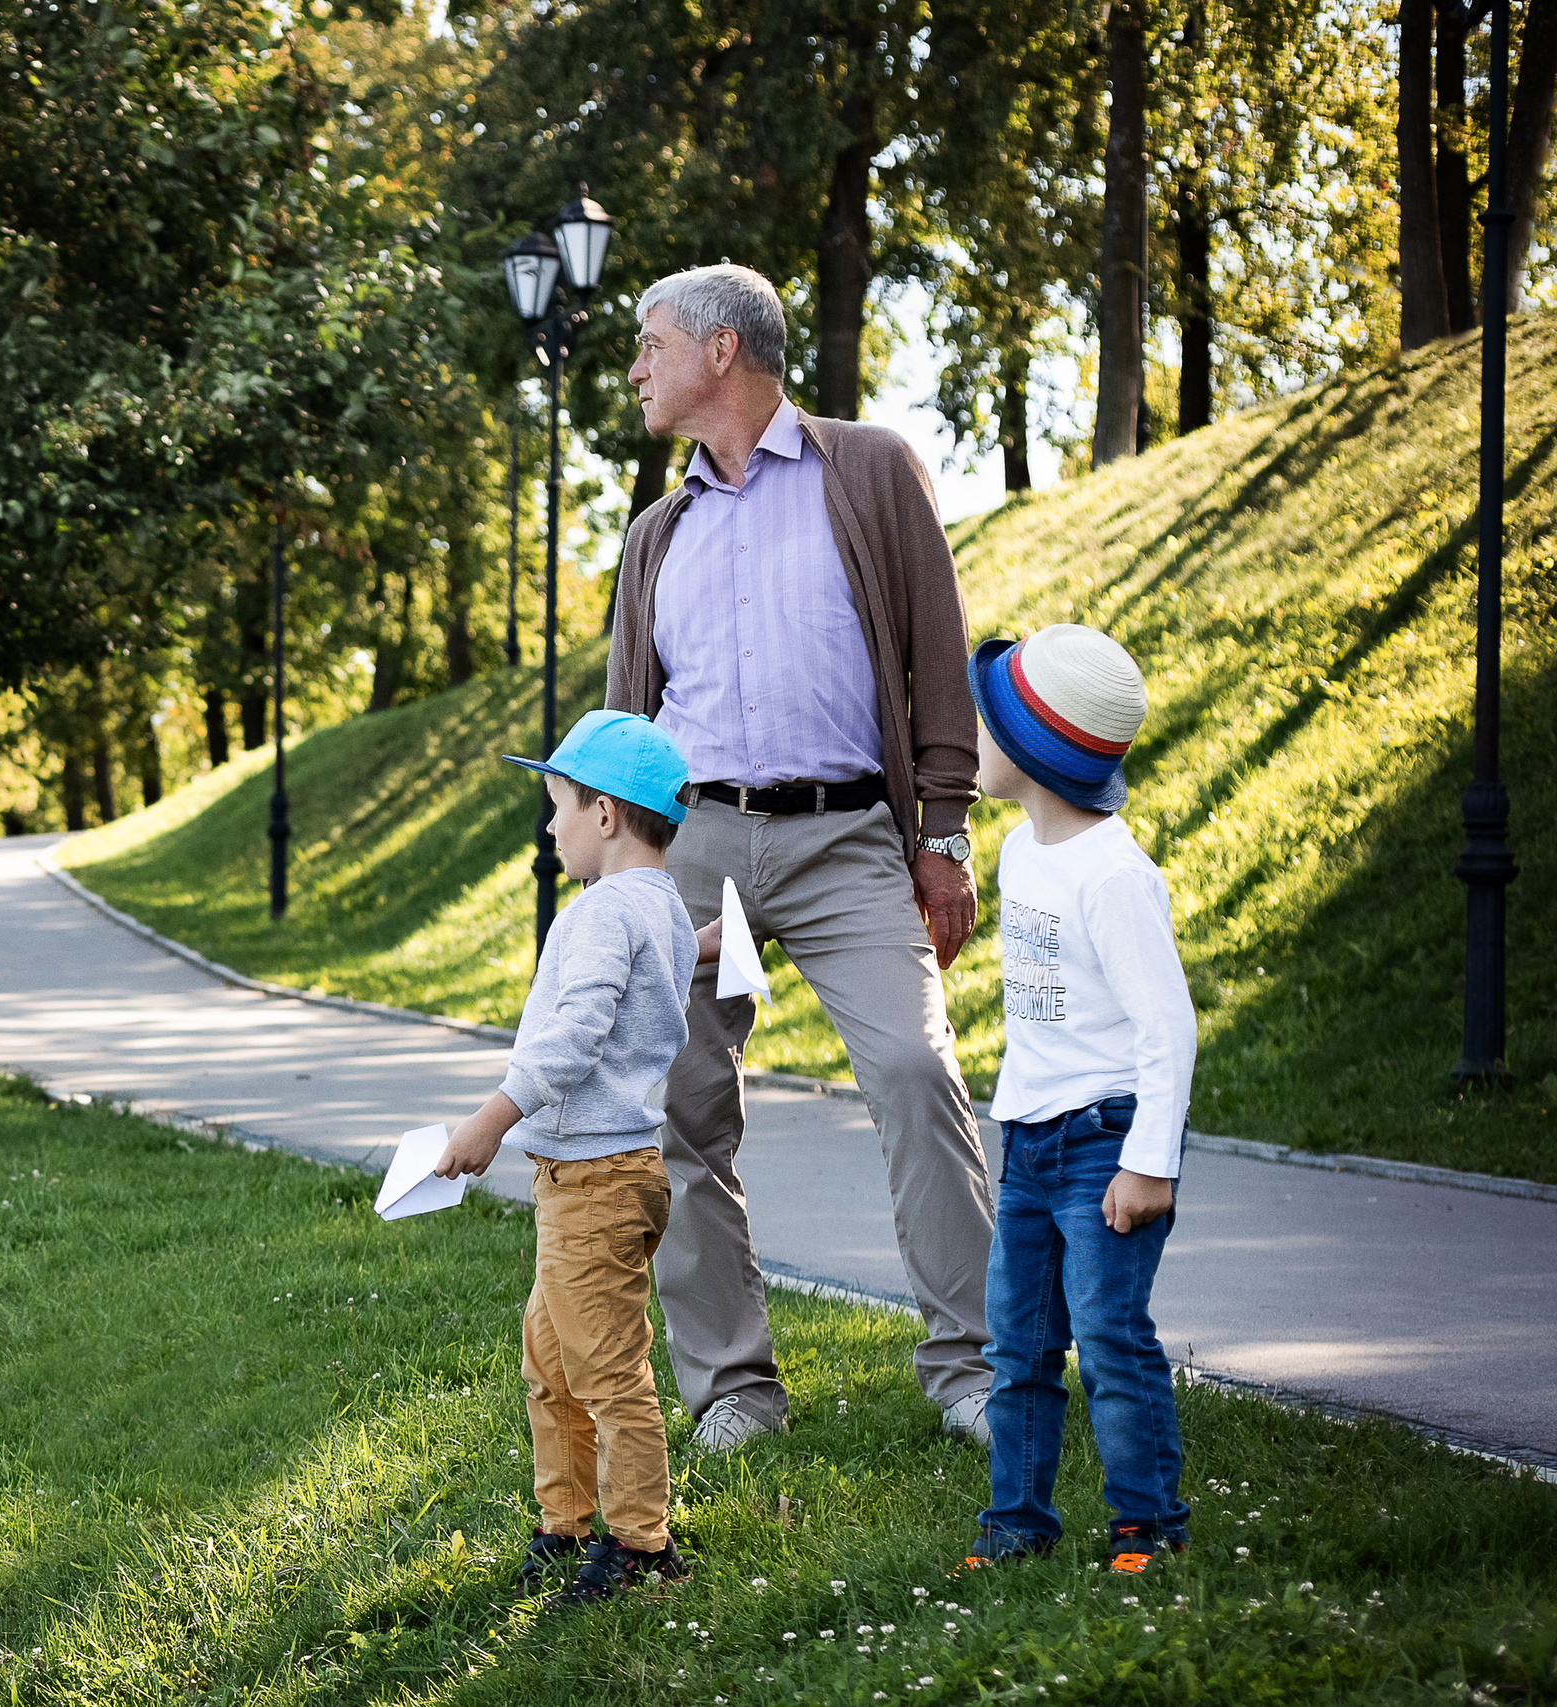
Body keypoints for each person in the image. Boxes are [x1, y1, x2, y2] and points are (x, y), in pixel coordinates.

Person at [609, 262, 996, 1451]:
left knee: (915, 1071)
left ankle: (975, 1372)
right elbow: (630, 722)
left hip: (845, 838)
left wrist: (943, 837)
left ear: (722, 349)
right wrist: (624, 877)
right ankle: (733, 1388)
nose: (634, 366)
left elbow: (938, 656)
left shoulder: (867, 471)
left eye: (651, 343)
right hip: (697, 842)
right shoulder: (656, 532)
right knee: (677, 1105)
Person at [432, 708, 701, 1607]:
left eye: (559, 806)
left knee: (607, 1371)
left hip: (593, 1179)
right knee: (552, 1361)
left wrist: (491, 1118)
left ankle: (641, 1543)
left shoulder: (602, 912)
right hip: (610, 1172)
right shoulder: (662, 905)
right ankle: (564, 1523)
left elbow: (575, 1035)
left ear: (606, 814)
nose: (551, 827)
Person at [959, 623, 1197, 1574]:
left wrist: (1149, 1162)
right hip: (1030, 1144)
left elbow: (1167, 1027)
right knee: (1018, 1344)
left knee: (1108, 1337)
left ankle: (1148, 1525)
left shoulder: (1115, 876)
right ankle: (1016, 1521)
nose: (970, 735)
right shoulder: (1021, 851)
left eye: (986, 723)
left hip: (1108, 1143)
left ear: (1032, 748)